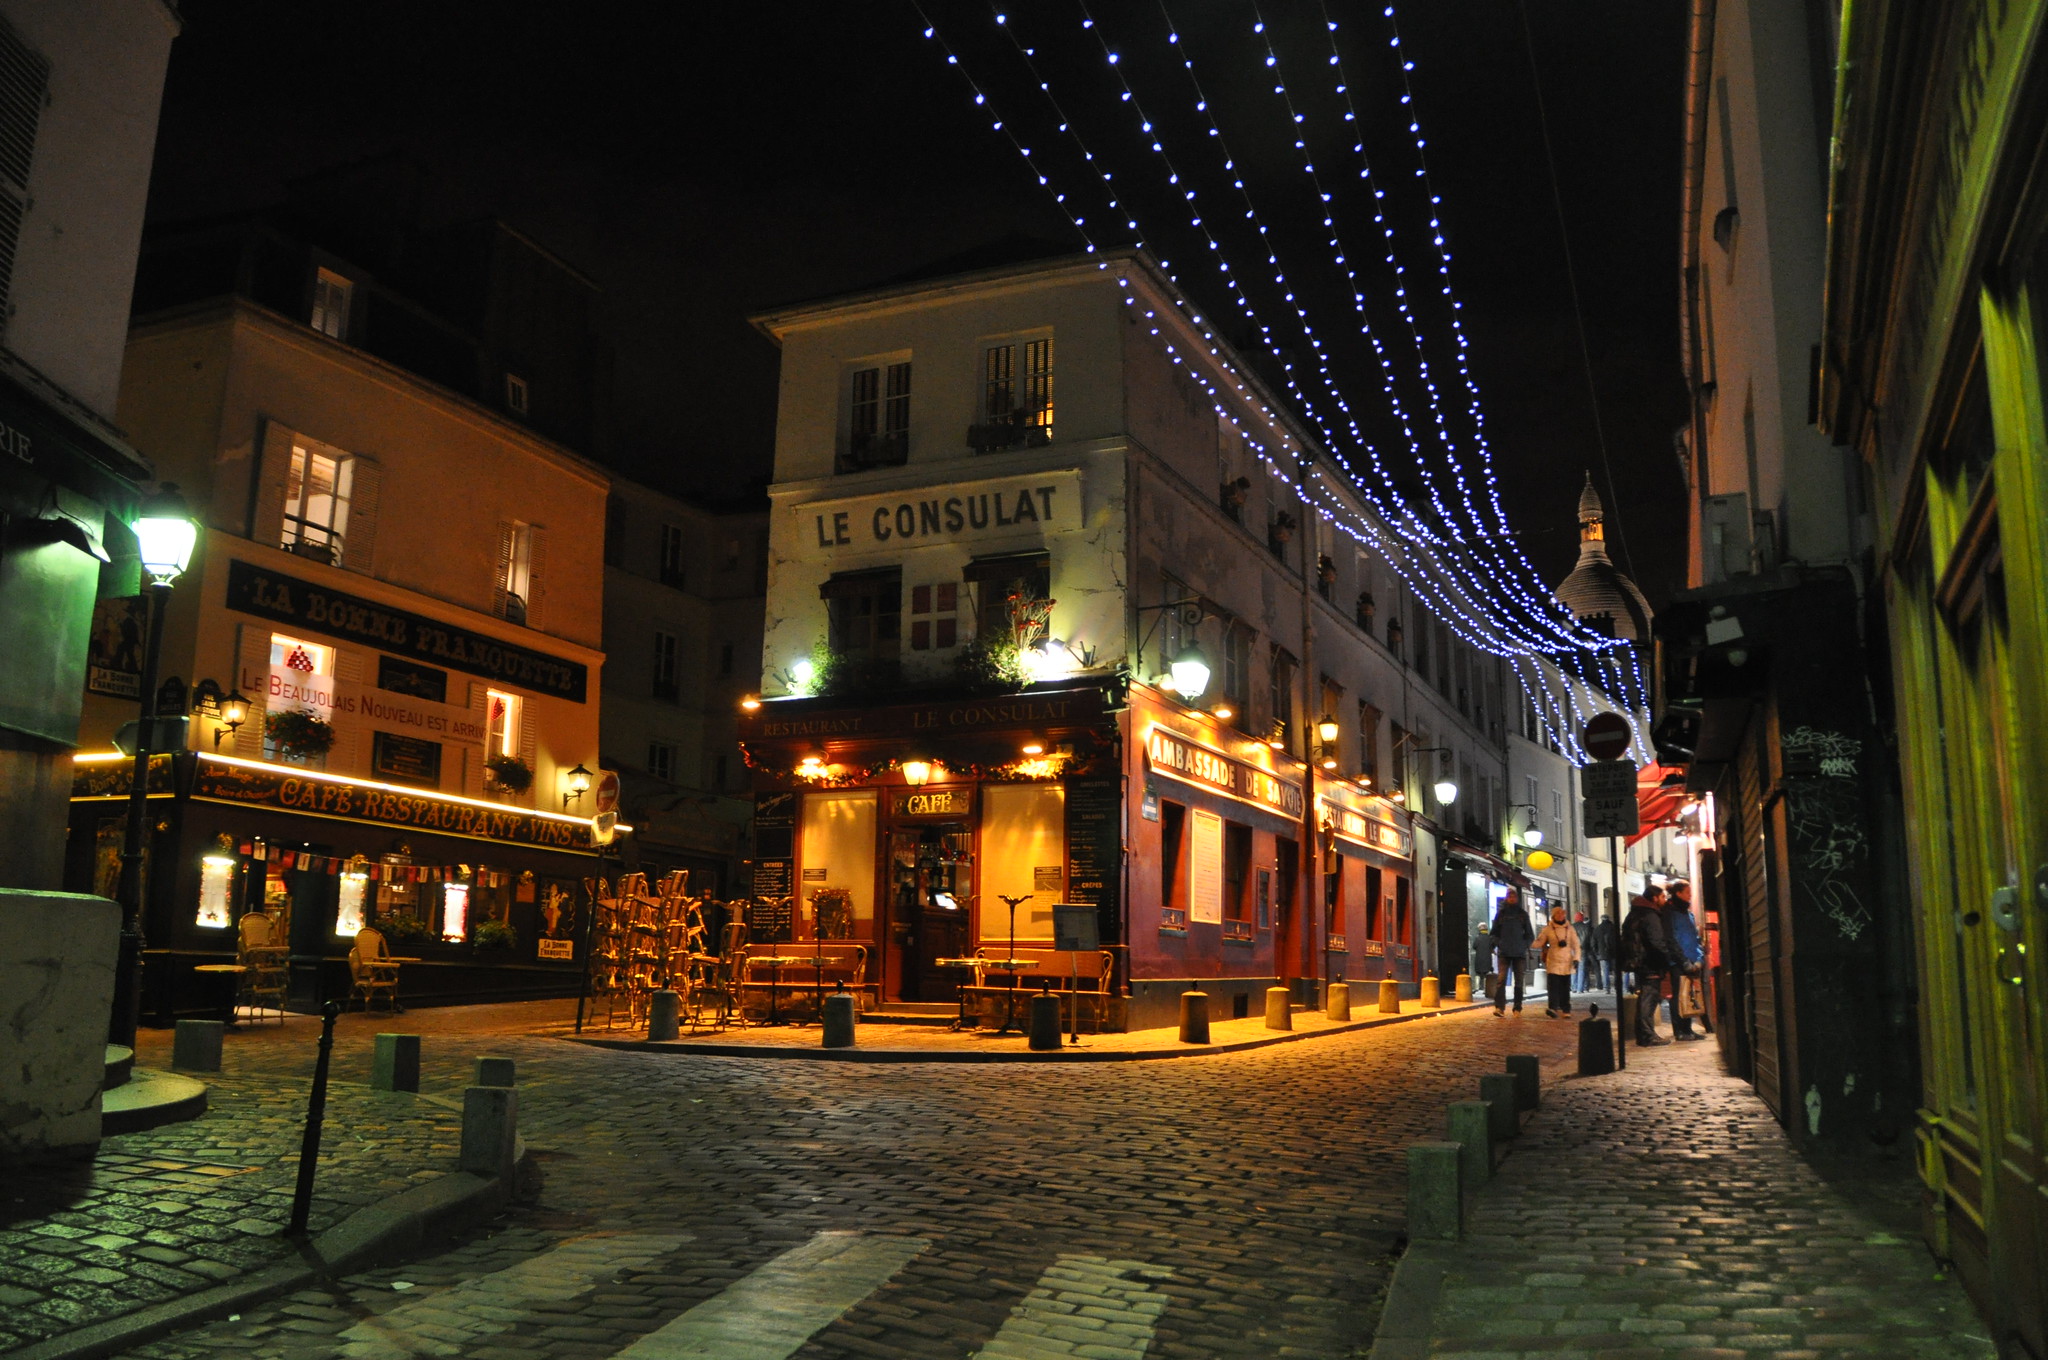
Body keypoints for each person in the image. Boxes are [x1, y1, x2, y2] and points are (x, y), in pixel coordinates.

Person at [1621, 890, 1672, 1045]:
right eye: (1662, 896)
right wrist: (1666, 959)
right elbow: (1656, 942)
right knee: (1649, 998)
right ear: (1654, 898)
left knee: (1645, 997)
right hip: (1650, 962)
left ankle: (1644, 1034)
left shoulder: (1636, 913)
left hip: (1640, 962)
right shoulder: (1650, 915)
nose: (1665, 899)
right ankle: (1647, 1035)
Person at [1661, 880, 1708, 1040]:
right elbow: (1670, 939)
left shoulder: (1688, 914)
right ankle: (1680, 1031)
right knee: (1678, 995)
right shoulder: (1669, 912)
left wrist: (1699, 958)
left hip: (1693, 960)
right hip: (1679, 962)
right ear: (1678, 893)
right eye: (1688, 892)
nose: (1690, 895)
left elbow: (1695, 938)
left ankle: (1688, 1029)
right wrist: (1683, 961)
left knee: (1690, 994)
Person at [1489, 889, 1534, 1015]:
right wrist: (1499, 943)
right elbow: (1494, 933)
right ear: (1506, 898)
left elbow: (1530, 934)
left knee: (1518, 981)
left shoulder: (1522, 915)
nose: (1512, 898)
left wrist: (1523, 945)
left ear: (1517, 898)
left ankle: (1517, 1007)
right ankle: (1499, 1007)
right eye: (1510, 896)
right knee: (1501, 980)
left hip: (1519, 953)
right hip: (1504, 952)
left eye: (1514, 896)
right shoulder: (1501, 914)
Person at [1535, 906, 1580, 1018]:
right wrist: (1527, 943)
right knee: (1553, 986)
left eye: (1562, 914)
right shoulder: (1548, 929)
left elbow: (1576, 945)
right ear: (1553, 916)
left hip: (1567, 960)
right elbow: (1539, 941)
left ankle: (1566, 1009)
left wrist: (1576, 958)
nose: (1561, 916)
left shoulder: (1570, 929)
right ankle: (1553, 1008)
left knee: (1565, 986)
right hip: (1553, 960)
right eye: (1558, 914)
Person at [1571, 910, 1595, 991]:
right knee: (1581, 969)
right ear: (1582, 919)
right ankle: (1580, 989)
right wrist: (1591, 949)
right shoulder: (1586, 928)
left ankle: (1574, 987)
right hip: (1583, 950)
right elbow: (1590, 940)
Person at [1471, 919, 1493, 996]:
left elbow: (1474, 946)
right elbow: (1492, 947)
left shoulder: (1478, 938)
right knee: (1486, 973)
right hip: (1487, 958)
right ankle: (1485, 988)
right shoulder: (1489, 938)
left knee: (1478, 973)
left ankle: (1477, 987)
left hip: (1479, 958)